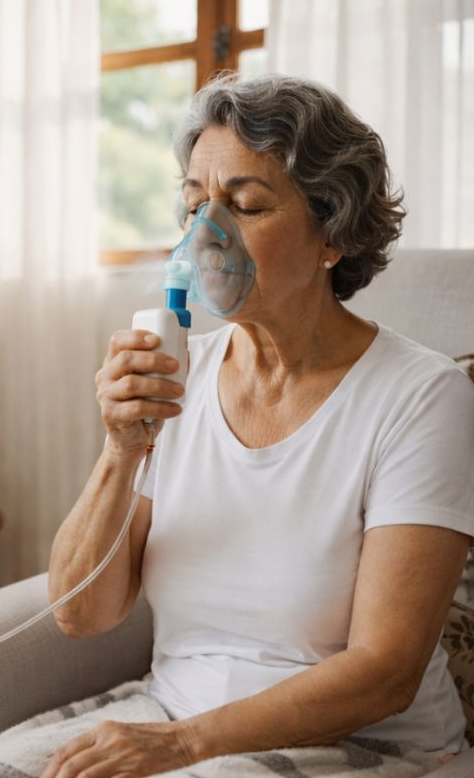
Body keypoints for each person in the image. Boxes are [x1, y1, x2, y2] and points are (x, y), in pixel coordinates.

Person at [45, 74, 474, 776]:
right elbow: (80, 616)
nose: (206, 235)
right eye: (193, 205)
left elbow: (385, 671)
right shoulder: (177, 375)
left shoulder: (420, 397)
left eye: (244, 204)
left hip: (363, 745)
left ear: (330, 235)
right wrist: (121, 451)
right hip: (176, 719)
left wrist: (182, 747)